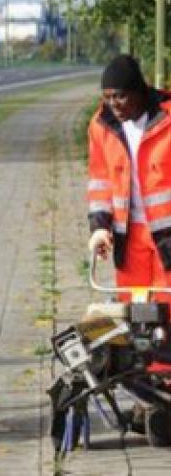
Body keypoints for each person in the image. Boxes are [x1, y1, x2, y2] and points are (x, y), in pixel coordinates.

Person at [87, 54, 171, 439]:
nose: (114, 105)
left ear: (139, 91)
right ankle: (148, 399)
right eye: (107, 97)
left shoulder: (168, 116)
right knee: (139, 319)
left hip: (166, 236)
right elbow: (100, 180)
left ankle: (162, 395)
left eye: (120, 96)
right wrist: (99, 228)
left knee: (167, 317)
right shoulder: (101, 125)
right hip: (129, 239)